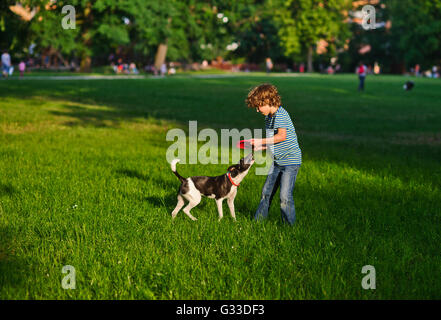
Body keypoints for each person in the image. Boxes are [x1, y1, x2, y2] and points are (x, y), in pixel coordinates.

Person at [245, 84, 302, 225]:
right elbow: (273, 141)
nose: (257, 110)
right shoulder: (268, 118)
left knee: (284, 197)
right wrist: (260, 146)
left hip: (290, 162)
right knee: (266, 192)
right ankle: (257, 222)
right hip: (277, 162)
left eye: (258, 106)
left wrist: (260, 140)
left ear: (268, 101)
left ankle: (289, 227)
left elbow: (281, 136)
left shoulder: (281, 114)